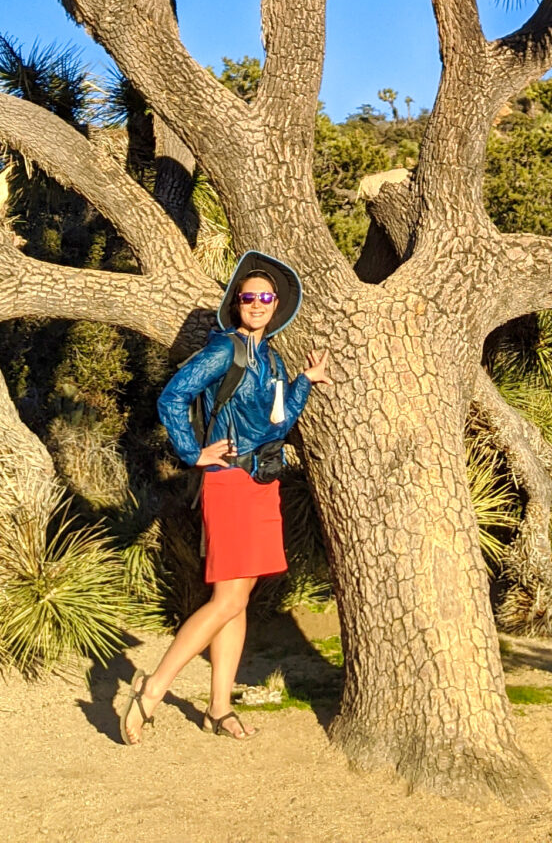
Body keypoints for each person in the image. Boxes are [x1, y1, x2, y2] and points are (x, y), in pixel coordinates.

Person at [119, 250, 329, 743]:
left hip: (263, 485)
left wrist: (303, 383)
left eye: (265, 297)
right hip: (230, 481)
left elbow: (277, 421)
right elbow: (171, 396)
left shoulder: (273, 358)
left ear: (276, 304)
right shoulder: (224, 349)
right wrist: (193, 452)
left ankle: (218, 707)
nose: (256, 303)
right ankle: (152, 690)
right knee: (228, 599)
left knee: (235, 599)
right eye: (248, 296)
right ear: (236, 304)